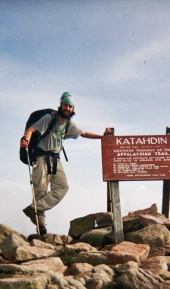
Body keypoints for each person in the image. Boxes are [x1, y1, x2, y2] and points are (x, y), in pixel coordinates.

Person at [20, 92, 110, 234]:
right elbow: (31, 130)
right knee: (40, 192)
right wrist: (25, 139)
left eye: (70, 106)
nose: (67, 108)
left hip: (56, 159)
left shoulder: (68, 123)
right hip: (42, 158)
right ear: (60, 105)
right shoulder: (49, 118)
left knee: (62, 187)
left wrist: (103, 138)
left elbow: (83, 133)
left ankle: (34, 209)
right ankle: (41, 227)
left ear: (72, 109)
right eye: (65, 105)